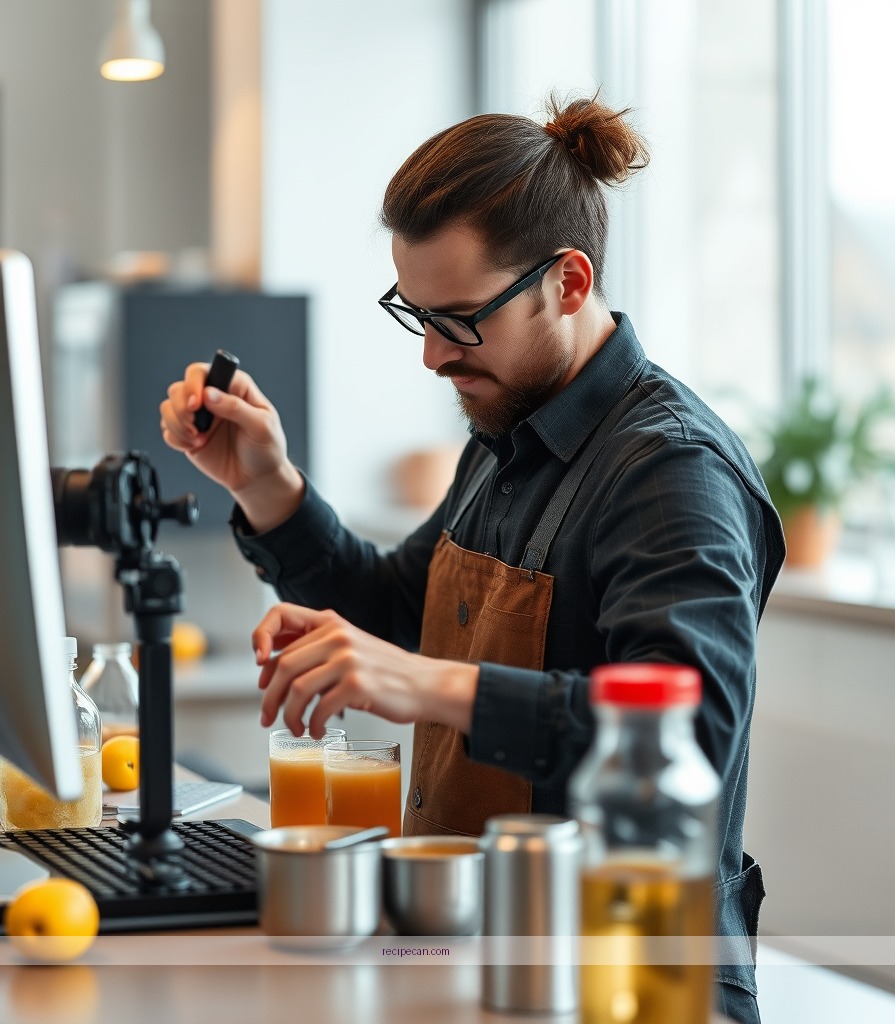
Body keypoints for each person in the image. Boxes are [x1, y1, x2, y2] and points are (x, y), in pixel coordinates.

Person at [160, 93, 784, 1023]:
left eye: (459, 320)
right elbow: (399, 612)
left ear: (568, 282)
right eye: (417, 317)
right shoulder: (505, 430)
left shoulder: (669, 470)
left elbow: (684, 730)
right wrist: (267, 485)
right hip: (485, 955)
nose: (432, 358)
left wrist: (429, 685)